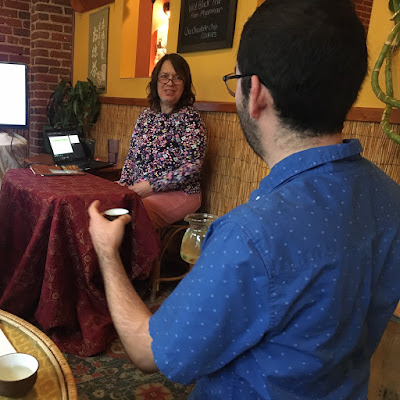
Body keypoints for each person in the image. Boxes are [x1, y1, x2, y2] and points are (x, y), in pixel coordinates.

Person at [88, 0, 400, 398]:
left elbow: (147, 349)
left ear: (255, 92)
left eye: (234, 79)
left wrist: (107, 251)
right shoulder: (390, 197)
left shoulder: (250, 236)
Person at [119, 53, 207, 229]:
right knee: (104, 202)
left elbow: (192, 168)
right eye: (164, 76)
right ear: (155, 81)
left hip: (181, 193)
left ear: (185, 84)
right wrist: (123, 185)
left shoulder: (190, 118)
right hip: (141, 189)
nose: (170, 83)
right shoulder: (145, 117)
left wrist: (151, 186)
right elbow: (131, 159)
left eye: (177, 77)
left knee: (134, 215)